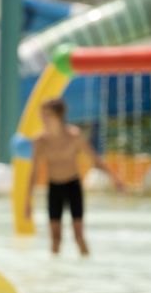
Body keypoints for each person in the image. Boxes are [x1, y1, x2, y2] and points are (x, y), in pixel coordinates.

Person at [23, 98, 123, 256]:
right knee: (55, 238)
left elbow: (95, 160)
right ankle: (55, 269)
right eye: (42, 115)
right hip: (54, 188)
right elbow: (33, 172)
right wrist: (28, 202)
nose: (43, 119)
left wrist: (115, 179)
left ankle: (87, 264)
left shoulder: (74, 136)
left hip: (73, 186)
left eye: (47, 115)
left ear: (58, 116)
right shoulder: (40, 141)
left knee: (79, 236)